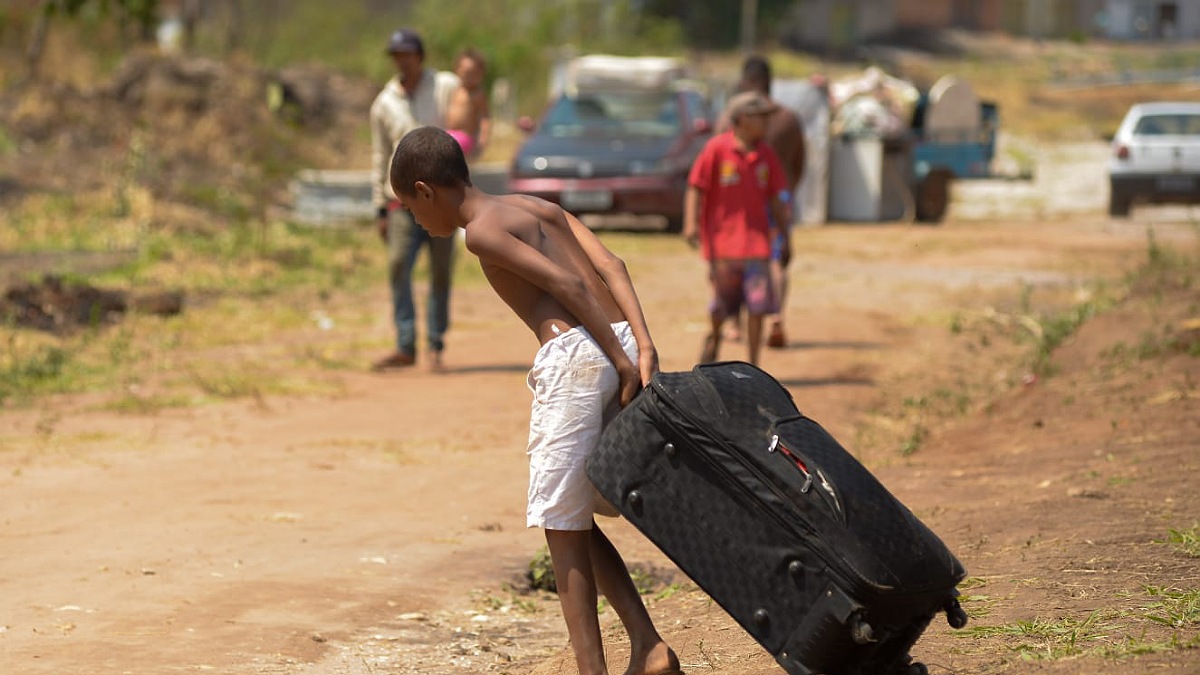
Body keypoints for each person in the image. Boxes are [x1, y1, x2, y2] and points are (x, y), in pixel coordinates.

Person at [389, 126, 681, 675]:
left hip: (578, 357)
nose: (416, 219)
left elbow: (569, 288)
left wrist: (622, 366)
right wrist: (641, 346)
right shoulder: (536, 206)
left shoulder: (480, 233)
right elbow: (612, 266)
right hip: (618, 336)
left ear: (426, 190)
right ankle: (648, 646)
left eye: (410, 207)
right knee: (574, 517)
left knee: (559, 524)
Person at [369, 28, 460, 372]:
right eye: (397, 56)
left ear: (420, 56)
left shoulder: (444, 87)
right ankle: (405, 345)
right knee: (397, 266)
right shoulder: (385, 102)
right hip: (402, 201)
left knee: (440, 271)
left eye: (407, 54)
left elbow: (467, 113)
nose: (402, 61)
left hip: (442, 198)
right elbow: (379, 155)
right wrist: (379, 207)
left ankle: (435, 343)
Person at [684, 91, 790, 367]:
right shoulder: (717, 149)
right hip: (723, 246)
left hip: (757, 246)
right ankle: (715, 337)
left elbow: (776, 198)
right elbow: (696, 186)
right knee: (721, 305)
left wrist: (785, 236)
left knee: (757, 305)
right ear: (742, 119)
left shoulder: (766, 155)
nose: (767, 123)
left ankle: (754, 363)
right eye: (761, 117)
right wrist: (690, 223)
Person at [716, 56, 807, 349]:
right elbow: (800, 163)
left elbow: (717, 158)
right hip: (780, 197)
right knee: (776, 259)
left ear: (746, 81)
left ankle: (733, 323)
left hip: (740, 203)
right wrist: (785, 192)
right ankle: (776, 317)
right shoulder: (789, 119)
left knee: (735, 260)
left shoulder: (732, 118)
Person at [444, 47, 492, 160]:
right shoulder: (454, 89)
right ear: (457, 70)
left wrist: (483, 137)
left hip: (465, 137)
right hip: (449, 133)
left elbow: (485, 117)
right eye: (466, 73)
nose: (469, 77)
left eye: (473, 74)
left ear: (481, 74)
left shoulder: (478, 94)